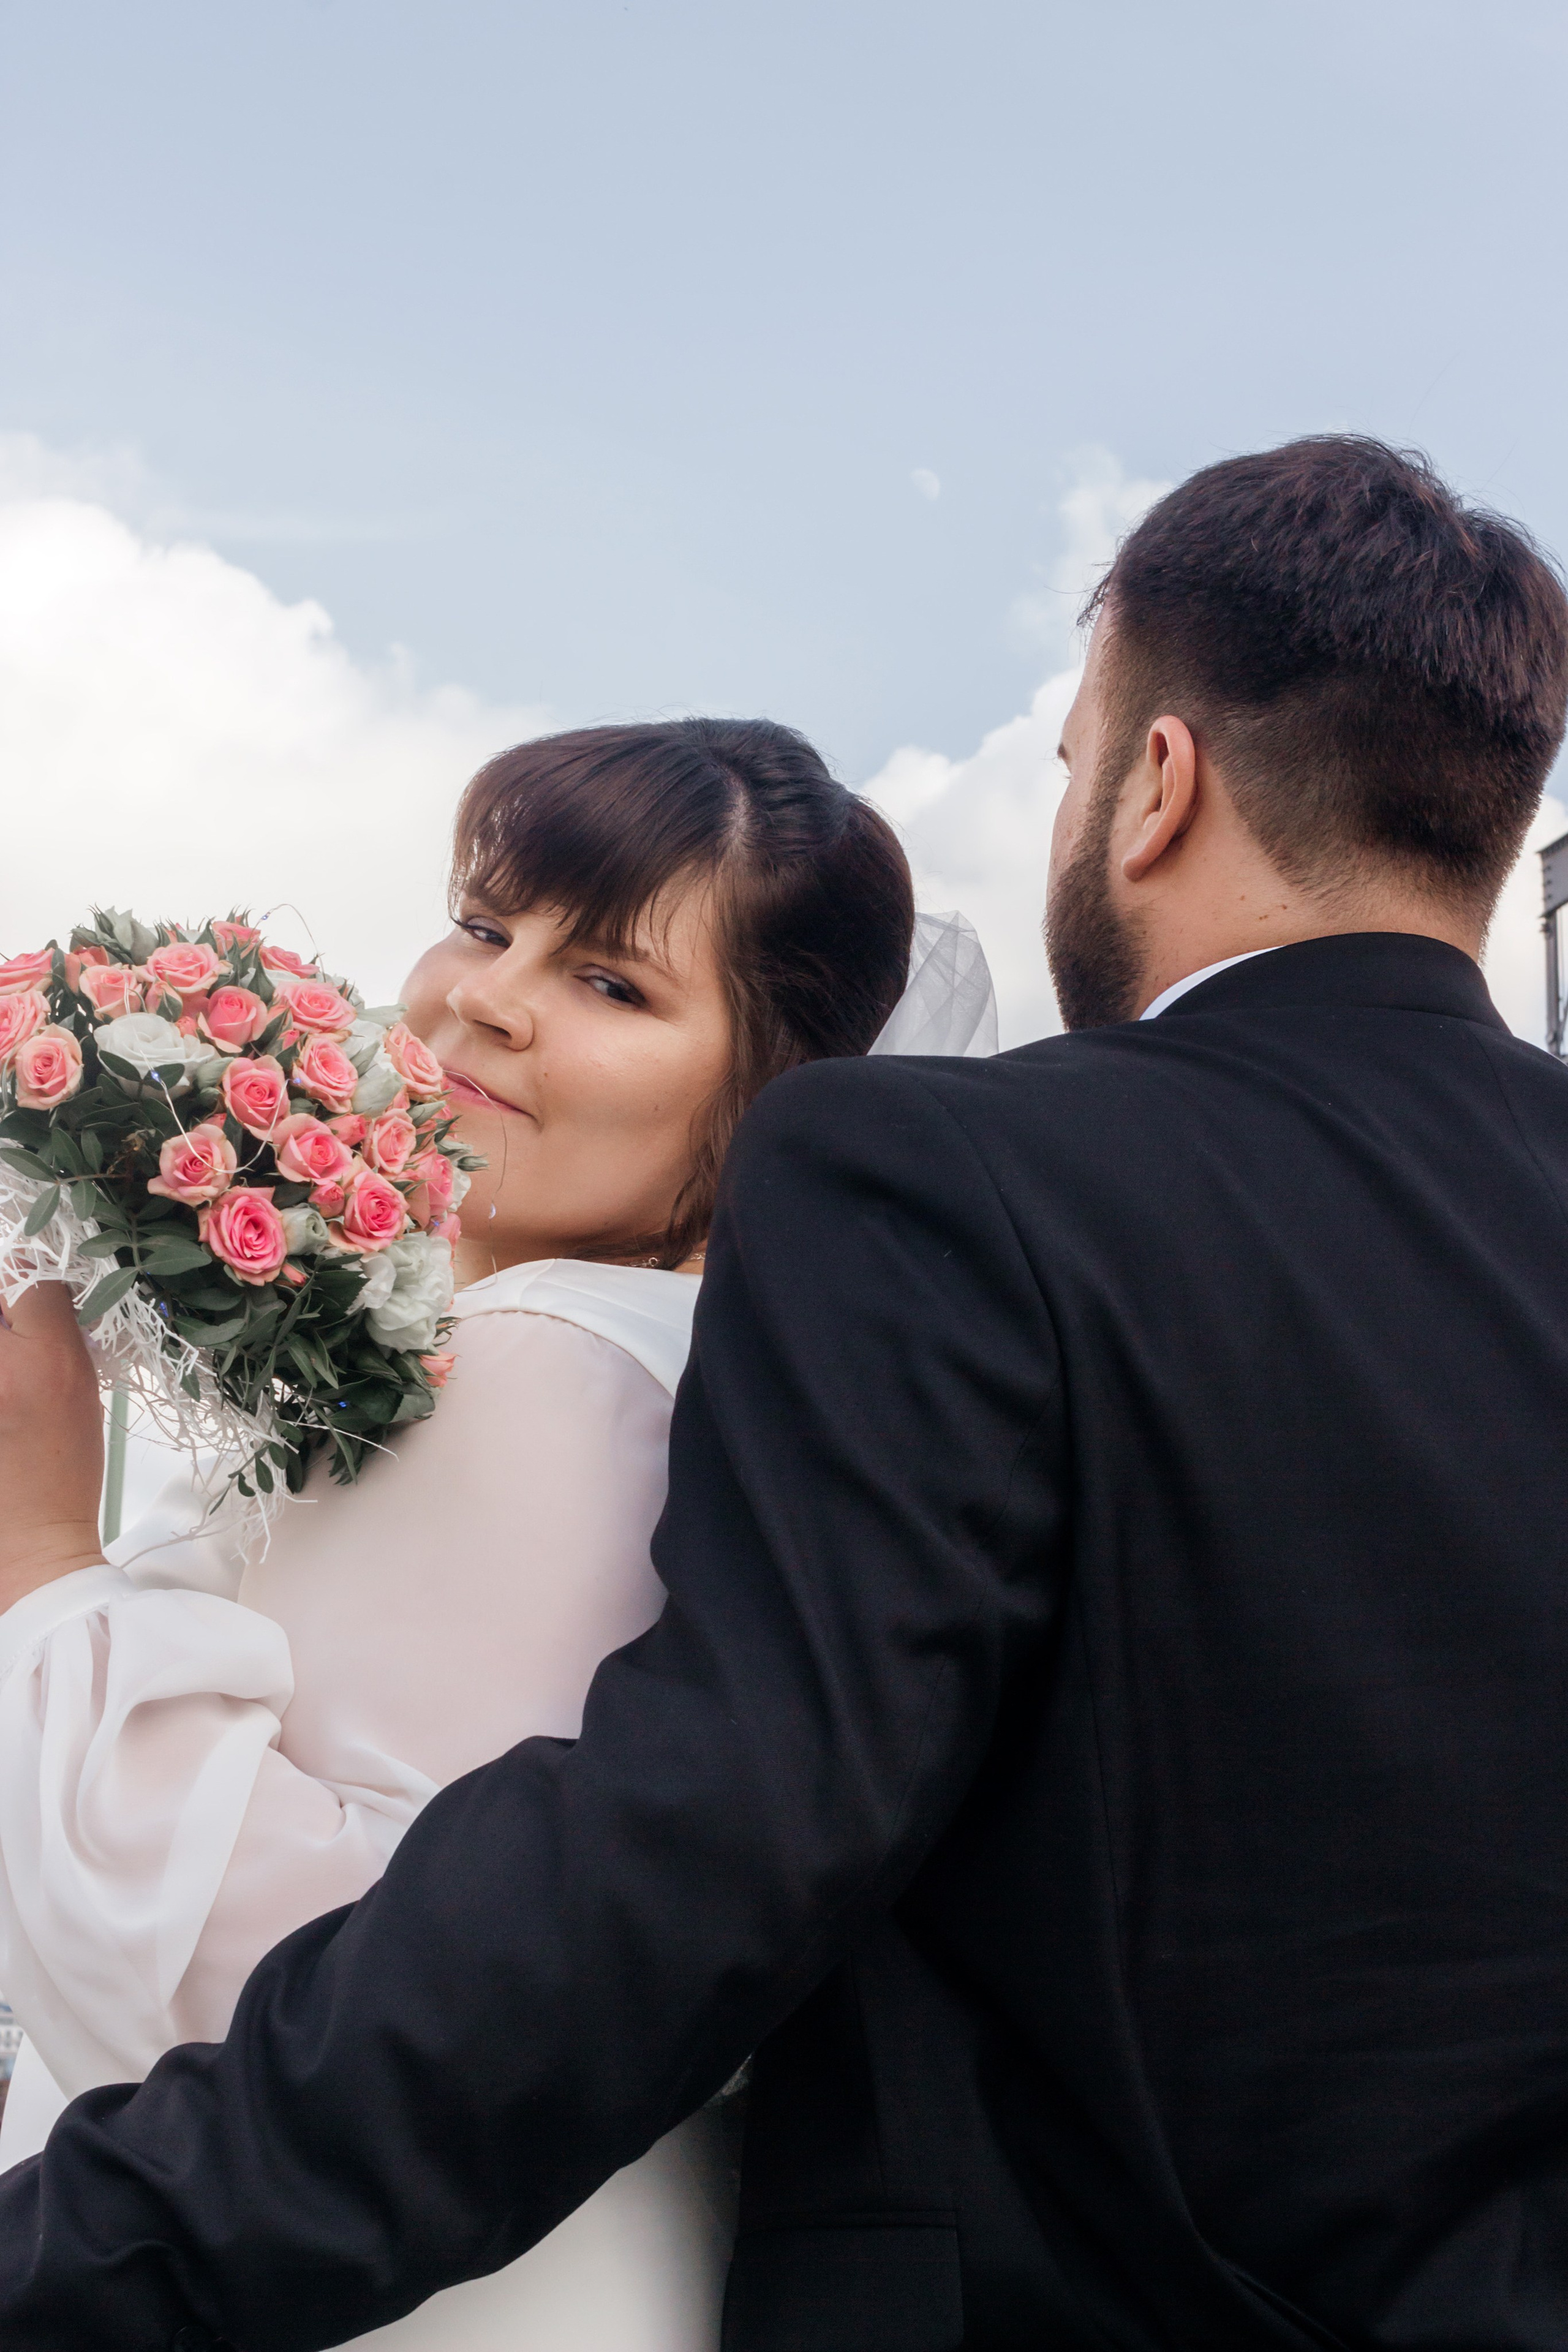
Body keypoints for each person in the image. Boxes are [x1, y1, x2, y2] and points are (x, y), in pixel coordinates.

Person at [2, 434, 1567, 2352]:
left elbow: (684, 1878)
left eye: (1073, 760)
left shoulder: (949, 1175)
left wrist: (66, 2261)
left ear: (1154, 786)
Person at [0, 715, 993, 2350]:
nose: (487, 998)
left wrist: (44, 1557)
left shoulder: (554, 1369)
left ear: (769, 1105)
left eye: (612, 985)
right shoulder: (683, 1381)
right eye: (484, 920)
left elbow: (304, 1984)